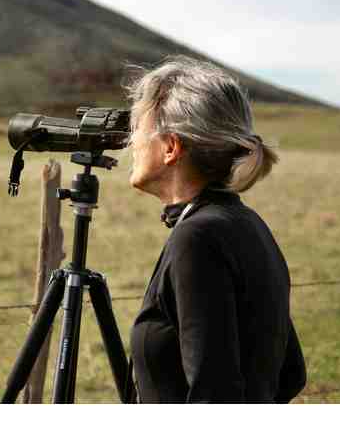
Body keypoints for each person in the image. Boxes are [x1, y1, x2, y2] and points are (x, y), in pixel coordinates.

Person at [125, 56, 306, 403]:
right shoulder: (248, 224)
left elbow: (215, 394)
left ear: (170, 147)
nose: (131, 142)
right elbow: (290, 373)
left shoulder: (197, 238)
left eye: (139, 129)